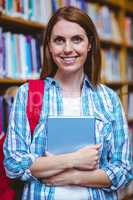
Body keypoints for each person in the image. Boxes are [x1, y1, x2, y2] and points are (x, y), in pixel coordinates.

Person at [4, 6, 133, 200]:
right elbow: (13, 164)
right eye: (59, 40)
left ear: (89, 44)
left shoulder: (109, 99)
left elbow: (123, 169)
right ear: (49, 45)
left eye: (77, 39)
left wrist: (75, 176)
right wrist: (74, 159)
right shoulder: (28, 94)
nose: (67, 49)